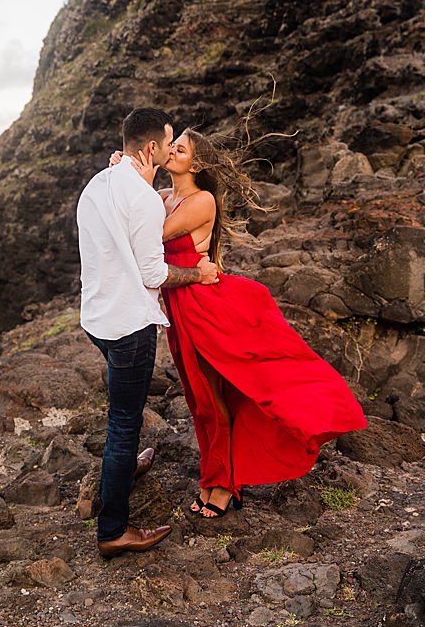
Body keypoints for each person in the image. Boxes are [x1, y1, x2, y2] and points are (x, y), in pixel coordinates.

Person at [149, 128, 366, 518]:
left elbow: (149, 235)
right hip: (179, 307)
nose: (171, 150)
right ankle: (216, 478)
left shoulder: (201, 201)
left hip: (204, 309)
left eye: (179, 148)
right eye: (171, 145)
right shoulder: (165, 197)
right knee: (200, 400)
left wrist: (144, 178)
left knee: (213, 399)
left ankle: (223, 484)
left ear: (196, 164)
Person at [77, 107, 221, 559]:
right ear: (153, 148)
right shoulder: (140, 197)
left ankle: (120, 472)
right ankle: (113, 530)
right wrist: (197, 276)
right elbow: (153, 273)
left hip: (96, 319)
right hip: (129, 325)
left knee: (122, 422)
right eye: (169, 140)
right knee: (124, 424)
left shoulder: (99, 183)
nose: (173, 145)